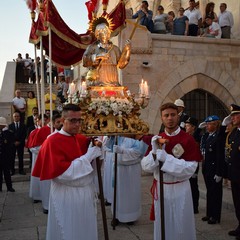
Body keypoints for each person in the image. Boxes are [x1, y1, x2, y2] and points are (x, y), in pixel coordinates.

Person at [32, 104, 102, 240]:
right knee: (68, 230)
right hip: (67, 194)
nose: (77, 124)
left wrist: (98, 151)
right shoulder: (52, 141)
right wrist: (89, 156)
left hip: (85, 192)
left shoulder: (82, 139)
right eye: (72, 120)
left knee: (85, 229)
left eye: (79, 120)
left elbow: (94, 166)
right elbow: (63, 174)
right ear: (62, 120)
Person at [141, 102, 202, 240]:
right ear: (162, 118)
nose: (170, 118)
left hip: (180, 189)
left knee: (181, 226)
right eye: (166, 115)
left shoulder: (188, 139)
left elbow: (190, 169)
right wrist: (155, 154)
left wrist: (167, 159)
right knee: (163, 226)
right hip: (161, 190)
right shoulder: (157, 139)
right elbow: (145, 166)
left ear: (178, 117)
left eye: (173, 115)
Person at [105, 135, 148, 225]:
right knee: (118, 193)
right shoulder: (118, 136)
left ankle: (130, 217)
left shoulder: (137, 136)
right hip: (118, 169)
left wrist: (123, 151)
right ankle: (116, 215)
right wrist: (110, 137)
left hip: (131, 170)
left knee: (130, 193)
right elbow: (109, 146)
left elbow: (139, 152)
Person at [83, 16, 131, 86]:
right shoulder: (92, 47)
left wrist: (128, 51)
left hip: (113, 84)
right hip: (98, 84)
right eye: (101, 32)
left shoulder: (115, 49)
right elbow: (85, 61)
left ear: (109, 33)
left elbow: (121, 64)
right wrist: (97, 56)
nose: (104, 34)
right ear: (97, 35)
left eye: (105, 31)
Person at [200, 115, 225, 224]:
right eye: (206, 124)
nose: (207, 126)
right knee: (209, 192)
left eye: (209, 124)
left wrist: (219, 172)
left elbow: (220, 156)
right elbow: (199, 138)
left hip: (215, 169)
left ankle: (215, 216)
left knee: (216, 193)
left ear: (215, 125)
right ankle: (209, 213)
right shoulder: (207, 136)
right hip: (207, 168)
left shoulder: (218, 137)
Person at [225, 104, 240, 239]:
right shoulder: (234, 133)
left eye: (235, 115)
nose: (232, 118)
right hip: (235, 175)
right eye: (232, 116)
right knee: (237, 202)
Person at [185, 117, 202, 214]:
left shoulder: (197, 137)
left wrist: (195, 171)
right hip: (186, 164)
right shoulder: (186, 136)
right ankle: (189, 205)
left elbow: (197, 153)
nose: (186, 127)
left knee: (194, 186)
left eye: (188, 126)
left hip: (193, 164)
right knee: (187, 186)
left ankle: (195, 207)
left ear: (193, 127)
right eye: (186, 125)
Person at [0, 117, 15, 192]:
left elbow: (9, 144)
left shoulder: (7, 133)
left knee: (7, 173)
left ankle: (9, 187)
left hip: (5, 157)